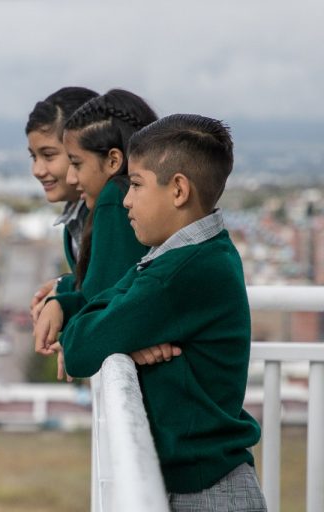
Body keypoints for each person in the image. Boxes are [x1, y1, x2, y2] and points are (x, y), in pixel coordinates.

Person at [55, 114, 266, 510]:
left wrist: (109, 323)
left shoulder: (177, 274)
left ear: (179, 190)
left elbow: (80, 345)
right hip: (212, 482)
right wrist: (128, 341)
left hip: (207, 493)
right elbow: (107, 300)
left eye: (135, 184)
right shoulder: (202, 252)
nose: (127, 200)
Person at [33, 89, 175, 375]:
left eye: (76, 163)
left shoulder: (115, 198)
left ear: (113, 160)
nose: (72, 177)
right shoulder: (114, 204)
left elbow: (102, 308)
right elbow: (115, 289)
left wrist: (74, 336)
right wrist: (64, 296)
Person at [26, 86, 98, 312]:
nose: (37, 170)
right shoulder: (75, 216)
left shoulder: (115, 211)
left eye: (48, 155)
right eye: (33, 156)